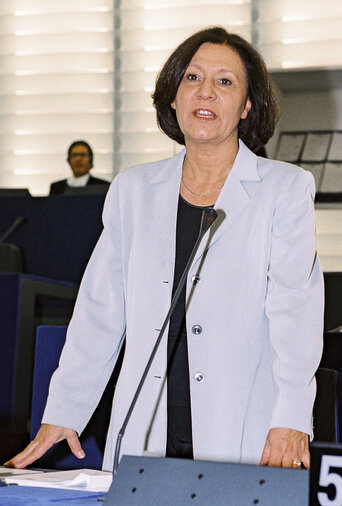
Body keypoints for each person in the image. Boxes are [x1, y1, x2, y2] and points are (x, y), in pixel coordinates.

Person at [6, 27, 323, 472]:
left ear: (248, 105)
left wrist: (291, 418)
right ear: (173, 97)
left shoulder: (284, 189)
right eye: (192, 78)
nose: (205, 92)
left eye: (225, 82)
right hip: (147, 425)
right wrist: (64, 411)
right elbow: (100, 312)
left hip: (244, 424)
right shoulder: (133, 190)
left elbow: (296, 316)